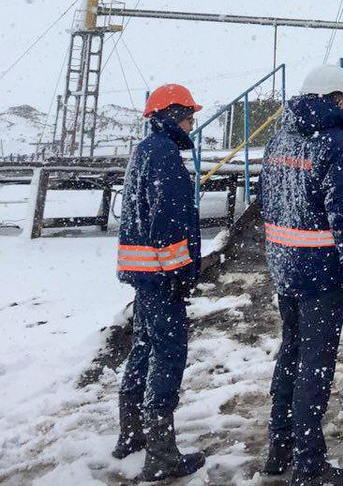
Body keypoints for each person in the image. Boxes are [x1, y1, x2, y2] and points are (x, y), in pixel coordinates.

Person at [257, 64, 343, 486]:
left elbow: (266, 201)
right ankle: (309, 464)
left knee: (291, 352)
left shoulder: (279, 139)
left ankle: (280, 445)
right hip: (320, 271)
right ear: (336, 100)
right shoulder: (338, 144)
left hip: (283, 264)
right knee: (315, 364)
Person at [114, 83, 205, 482]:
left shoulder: (145, 150)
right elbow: (168, 221)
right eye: (189, 114)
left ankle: (131, 433)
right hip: (161, 275)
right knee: (168, 355)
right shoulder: (166, 155)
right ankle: (162, 455)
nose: (192, 121)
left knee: (144, 347)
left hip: (144, 273)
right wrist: (181, 273)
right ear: (172, 115)